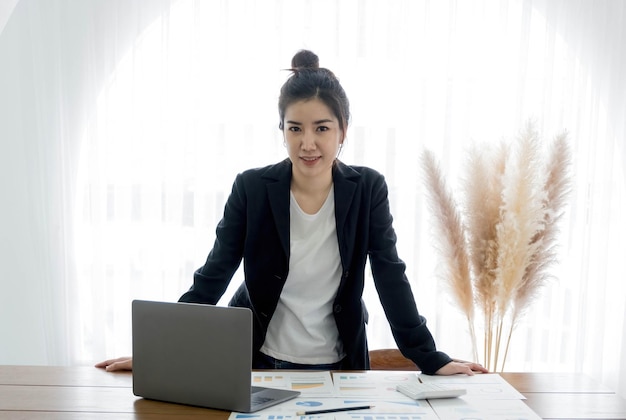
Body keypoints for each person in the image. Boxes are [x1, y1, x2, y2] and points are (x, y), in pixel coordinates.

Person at [96, 50, 487, 376]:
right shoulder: (252, 188)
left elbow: (389, 273)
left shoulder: (367, 189)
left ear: (343, 131)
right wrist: (160, 350)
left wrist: (431, 359)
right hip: (258, 360)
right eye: (295, 128)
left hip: (340, 364)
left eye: (321, 128)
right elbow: (213, 275)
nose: (308, 143)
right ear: (281, 130)